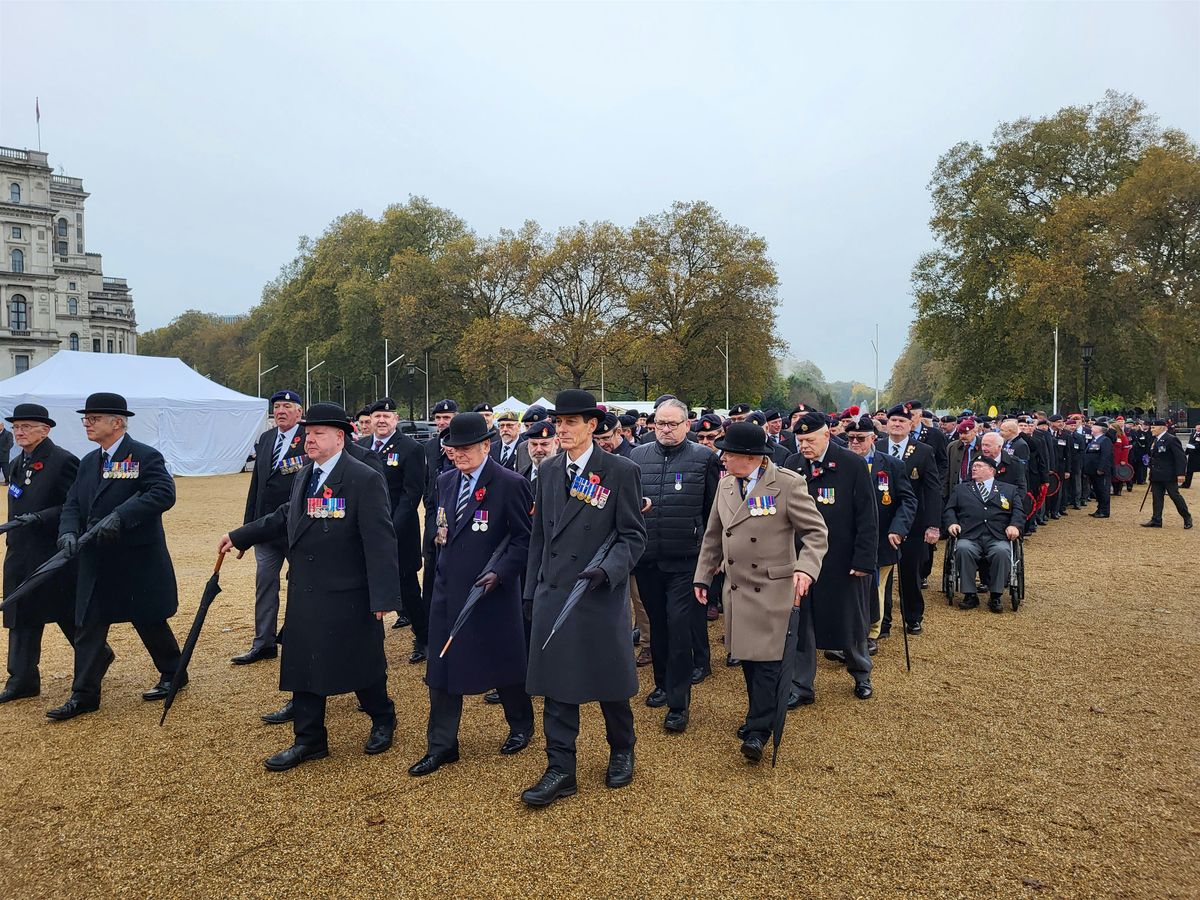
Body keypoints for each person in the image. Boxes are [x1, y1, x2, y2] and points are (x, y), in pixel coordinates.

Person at [219, 402, 399, 771]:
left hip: (348, 591)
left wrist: (383, 596)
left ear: (339, 437)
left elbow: (380, 540)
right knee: (303, 662)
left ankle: (383, 718)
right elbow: (286, 515)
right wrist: (241, 535)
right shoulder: (305, 474)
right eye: (307, 433)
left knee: (360, 663)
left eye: (317, 433)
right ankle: (310, 739)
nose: (309, 439)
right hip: (307, 588)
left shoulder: (363, 478)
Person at [522, 390, 646, 808]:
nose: (562, 429)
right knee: (557, 686)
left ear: (592, 426)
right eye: (559, 422)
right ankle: (561, 768)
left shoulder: (620, 470)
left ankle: (621, 748)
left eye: (570, 422)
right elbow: (539, 538)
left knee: (610, 683)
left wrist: (607, 571)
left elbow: (633, 536)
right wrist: (531, 593)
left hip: (598, 594)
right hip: (554, 594)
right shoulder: (550, 468)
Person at [693, 423, 828, 762]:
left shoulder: (787, 484)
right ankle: (759, 713)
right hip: (737, 589)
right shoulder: (725, 485)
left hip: (772, 586)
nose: (722, 458)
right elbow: (713, 536)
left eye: (729, 454)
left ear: (751, 457)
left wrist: (806, 568)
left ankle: (758, 729)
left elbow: (815, 532)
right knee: (748, 660)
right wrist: (702, 578)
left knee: (768, 661)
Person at [410, 413, 535, 776]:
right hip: (448, 590)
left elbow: (524, 538)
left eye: (465, 448)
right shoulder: (446, 481)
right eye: (452, 448)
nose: (457, 454)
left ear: (486, 445)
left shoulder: (510, 484)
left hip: (491, 592)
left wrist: (500, 572)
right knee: (442, 667)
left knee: (504, 663)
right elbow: (442, 526)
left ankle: (521, 723)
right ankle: (443, 745)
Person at [50, 393, 184, 721]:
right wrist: (66, 532)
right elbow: (72, 504)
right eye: (86, 418)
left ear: (118, 422)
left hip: (135, 558)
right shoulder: (88, 462)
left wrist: (122, 515)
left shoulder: (144, 455)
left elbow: (163, 493)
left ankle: (173, 673)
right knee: (89, 623)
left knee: (148, 618)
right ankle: (84, 695)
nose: (87, 423)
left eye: (94, 418)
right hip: (96, 560)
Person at [629, 399, 720, 733]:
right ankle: (663, 683)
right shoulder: (637, 457)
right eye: (660, 423)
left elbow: (714, 511)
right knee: (658, 625)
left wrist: (713, 557)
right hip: (648, 558)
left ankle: (679, 703)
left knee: (680, 626)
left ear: (686, 425)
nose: (665, 429)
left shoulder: (704, 458)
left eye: (672, 423)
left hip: (686, 560)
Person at [783, 412, 877, 703]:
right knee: (802, 622)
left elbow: (867, 516)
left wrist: (863, 560)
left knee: (849, 621)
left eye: (810, 440)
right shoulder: (793, 464)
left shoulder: (852, 464)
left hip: (841, 559)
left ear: (827, 435)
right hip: (802, 559)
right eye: (800, 440)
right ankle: (801, 685)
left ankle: (861, 673)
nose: (804, 446)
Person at [1, 404, 92, 703]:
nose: (19, 431)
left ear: (45, 429)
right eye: (16, 427)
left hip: (51, 551)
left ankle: (96, 657)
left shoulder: (63, 461)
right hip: (20, 550)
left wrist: (40, 518)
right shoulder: (17, 463)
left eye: (26, 426)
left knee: (65, 612)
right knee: (19, 612)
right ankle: (22, 678)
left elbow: (74, 506)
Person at [237, 389, 306, 665]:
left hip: (297, 527)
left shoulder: (308, 440)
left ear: (299, 412)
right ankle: (263, 643)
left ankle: (296, 636)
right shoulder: (266, 439)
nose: (281, 411)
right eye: (277, 406)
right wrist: (247, 532)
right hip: (266, 530)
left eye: (287, 406)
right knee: (264, 584)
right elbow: (257, 487)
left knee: (301, 584)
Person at [842, 415, 916, 656]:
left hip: (882, 537)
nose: (854, 442)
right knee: (847, 587)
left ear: (873, 438)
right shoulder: (840, 463)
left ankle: (870, 632)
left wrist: (899, 528)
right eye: (850, 438)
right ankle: (846, 632)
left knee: (874, 586)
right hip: (846, 538)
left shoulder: (892, 465)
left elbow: (908, 499)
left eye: (860, 438)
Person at [359, 398, 426, 642]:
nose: (382, 420)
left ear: (395, 420)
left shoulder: (410, 448)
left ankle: (423, 637)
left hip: (399, 531)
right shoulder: (363, 446)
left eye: (387, 416)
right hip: (366, 530)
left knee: (407, 587)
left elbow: (411, 494)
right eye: (377, 416)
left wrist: (390, 528)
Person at [876, 404, 941, 636]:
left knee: (910, 573)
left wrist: (933, 524)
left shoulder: (922, 451)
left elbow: (932, 488)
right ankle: (882, 621)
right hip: (882, 522)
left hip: (912, 523)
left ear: (911, 424)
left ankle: (913, 616)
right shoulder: (877, 446)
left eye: (902, 421)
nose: (896, 424)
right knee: (882, 575)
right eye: (892, 420)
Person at [944, 458, 1024, 613]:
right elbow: (949, 509)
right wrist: (952, 523)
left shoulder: (1008, 489)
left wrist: (1014, 525)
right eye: (973, 466)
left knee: (1002, 552)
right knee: (963, 549)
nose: (974, 469)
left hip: (997, 535)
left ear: (991, 470)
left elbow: (1018, 512)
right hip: (970, 534)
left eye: (979, 466)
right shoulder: (961, 489)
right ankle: (969, 594)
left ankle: (995, 595)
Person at [418, 399, 459, 663]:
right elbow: (427, 487)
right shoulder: (430, 447)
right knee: (431, 579)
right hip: (435, 521)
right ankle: (429, 636)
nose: (442, 422)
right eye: (439, 418)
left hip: (465, 522)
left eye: (447, 417)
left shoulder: (469, 446)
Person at [1142, 420, 1192, 529]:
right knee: (1157, 497)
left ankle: (1187, 517)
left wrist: (1181, 474)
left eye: (1154, 427)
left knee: (1175, 496)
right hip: (1156, 475)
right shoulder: (1155, 440)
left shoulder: (1171, 439)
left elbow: (1181, 458)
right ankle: (1156, 519)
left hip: (1168, 475)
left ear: (1162, 428)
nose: (1152, 430)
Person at [1082, 421, 1114, 518]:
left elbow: (1106, 456)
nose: (1091, 428)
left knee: (1103, 491)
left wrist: (1101, 468)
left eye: (1093, 427)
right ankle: (1099, 509)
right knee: (1098, 491)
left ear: (1099, 429)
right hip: (1093, 471)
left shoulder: (1105, 440)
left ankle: (1104, 511)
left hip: (1101, 472)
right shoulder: (1095, 440)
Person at [0, 420, 12, 485]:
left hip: (4, 456)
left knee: (6, 470)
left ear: (2, 425)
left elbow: (10, 443)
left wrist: (3, 450)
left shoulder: (8, 434)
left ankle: (7, 482)